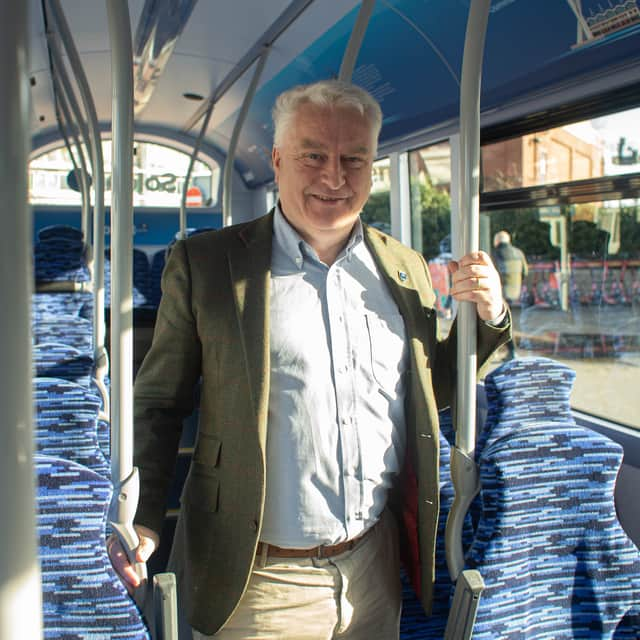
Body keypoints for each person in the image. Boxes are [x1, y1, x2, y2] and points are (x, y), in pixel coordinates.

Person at [108, 80, 510, 639]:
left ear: (374, 168)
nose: (334, 176)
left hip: (373, 562)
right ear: (277, 160)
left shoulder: (405, 268)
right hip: (256, 579)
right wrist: (144, 515)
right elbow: (158, 402)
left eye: (354, 159)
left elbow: (430, 390)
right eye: (313, 155)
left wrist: (488, 318)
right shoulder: (209, 264)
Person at [492, 230, 528, 359]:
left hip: (500, 294)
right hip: (516, 293)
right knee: (512, 322)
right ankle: (511, 351)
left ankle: (511, 351)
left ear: (496, 241)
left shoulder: (494, 254)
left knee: (501, 323)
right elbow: (525, 272)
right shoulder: (519, 253)